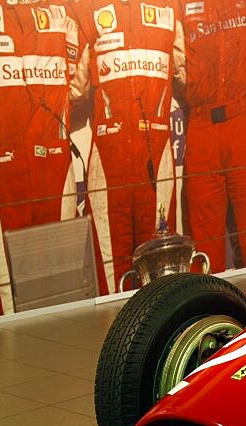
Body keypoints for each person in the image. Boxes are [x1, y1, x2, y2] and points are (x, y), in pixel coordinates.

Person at [0, 1, 82, 316]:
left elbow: (79, 85)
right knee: (7, 303)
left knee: (67, 294)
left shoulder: (62, 9)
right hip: (1, 176)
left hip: (55, 168)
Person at [70, 0, 186, 294]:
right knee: (113, 266)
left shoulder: (170, 9)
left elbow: (185, 72)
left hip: (155, 152)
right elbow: (76, 88)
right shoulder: (88, 9)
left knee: (160, 259)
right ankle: (114, 330)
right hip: (109, 156)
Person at [180, 0, 246, 273]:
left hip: (243, 117)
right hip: (200, 123)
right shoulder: (182, 5)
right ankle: (209, 309)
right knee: (204, 241)